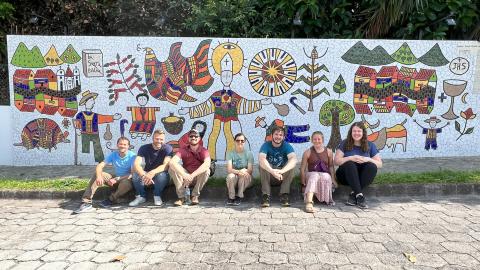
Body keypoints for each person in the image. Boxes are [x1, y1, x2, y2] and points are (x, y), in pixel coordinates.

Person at [73, 137, 136, 214]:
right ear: (117, 145)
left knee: (126, 183)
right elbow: (100, 165)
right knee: (98, 174)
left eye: (125, 144)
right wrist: (99, 176)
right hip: (115, 179)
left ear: (128, 146)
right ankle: (86, 202)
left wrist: (117, 179)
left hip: (126, 180)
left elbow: (132, 174)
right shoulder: (114, 154)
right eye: (120, 144)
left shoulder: (133, 156)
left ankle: (111, 199)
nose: (122, 146)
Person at [334, 121, 382, 209]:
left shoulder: (370, 145)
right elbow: (336, 161)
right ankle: (360, 195)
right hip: (345, 176)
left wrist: (368, 159)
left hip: (360, 177)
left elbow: (379, 164)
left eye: (359, 131)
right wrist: (350, 158)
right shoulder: (344, 143)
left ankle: (354, 194)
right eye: (354, 131)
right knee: (350, 164)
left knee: (372, 166)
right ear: (351, 133)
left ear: (363, 133)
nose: (356, 133)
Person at [129, 130, 173, 207]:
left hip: (160, 173)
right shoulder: (144, 148)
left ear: (164, 140)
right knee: (136, 174)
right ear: (153, 138)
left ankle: (157, 195)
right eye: (157, 139)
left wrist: (152, 172)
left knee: (162, 175)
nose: (159, 141)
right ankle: (141, 197)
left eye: (161, 139)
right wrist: (143, 175)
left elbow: (166, 165)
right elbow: (136, 164)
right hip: (146, 173)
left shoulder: (168, 148)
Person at [168, 129, 211, 206]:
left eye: (196, 136)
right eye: (191, 136)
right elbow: (172, 162)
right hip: (185, 176)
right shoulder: (183, 150)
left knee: (206, 170)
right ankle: (181, 197)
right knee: (172, 168)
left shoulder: (204, 150)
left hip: (197, 177)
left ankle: (195, 196)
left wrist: (192, 175)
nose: (193, 138)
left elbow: (207, 163)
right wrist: (185, 175)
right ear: (188, 138)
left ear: (199, 138)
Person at [258, 126, 297, 207]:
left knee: (291, 165)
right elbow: (261, 159)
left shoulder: (287, 146)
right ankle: (266, 196)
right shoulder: (266, 145)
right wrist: (272, 171)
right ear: (272, 135)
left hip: (281, 175)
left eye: (280, 135)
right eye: (276, 134)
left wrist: (281, 171)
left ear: (283, 137)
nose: (278, 137)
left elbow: (293, 159)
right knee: (262, 164)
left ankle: (284, 195)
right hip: (270, 174)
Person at [300, 131, 337, 213]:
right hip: (311, 174)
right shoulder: (307, 152)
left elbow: (331, 166)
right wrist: (303, 184)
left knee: (326, 176)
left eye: (319, 139)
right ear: (312, 141)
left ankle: (325, 198)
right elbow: (302, 169)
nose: (317, 141)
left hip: (324, 174)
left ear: (322, 140)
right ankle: (309, 202)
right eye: (314, 139)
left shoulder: (329, 152)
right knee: (315, 175)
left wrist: (333, 179)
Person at [225, 133, 254, 206]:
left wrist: (243, 172)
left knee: (244, 175)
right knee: (230, 176)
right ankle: (231, 197)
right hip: (235, 176)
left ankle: (239, 196)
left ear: (245, 142)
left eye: (242, 141)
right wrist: (239, 171)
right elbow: (229, 169)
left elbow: (250, 170)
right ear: (234, 141)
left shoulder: (249, 154)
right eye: (238, 140)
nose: (240, 142)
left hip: (246, 178)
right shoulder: (230, 153)